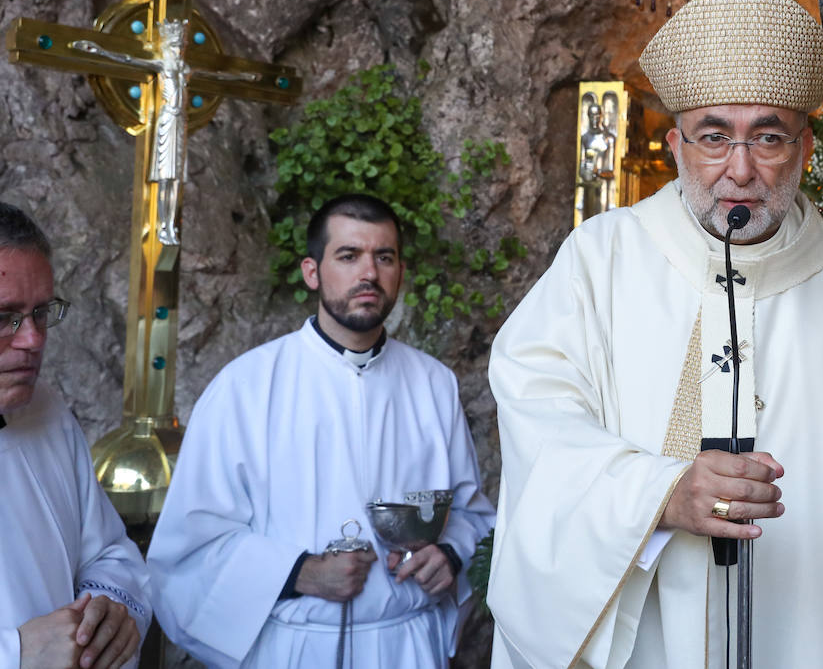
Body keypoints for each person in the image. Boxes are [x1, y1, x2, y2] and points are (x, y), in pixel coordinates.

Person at [486, 0, 823, 668]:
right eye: (713, 137)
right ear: (674, 145)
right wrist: (662, 494)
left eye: (767, 137)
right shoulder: (602, 260)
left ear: (805, 148)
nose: (740, 169)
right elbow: (539, 425)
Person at [147, 194, 495, 668]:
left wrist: (450, 555)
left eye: (384, 257)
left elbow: (472, 515)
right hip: (293, 648)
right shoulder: (246, 387)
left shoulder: (434, 384)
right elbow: (188, 548)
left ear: (400, 272)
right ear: (313, 271)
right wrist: (299, 572)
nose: (368, 273)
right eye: (348, 256)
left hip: (405, 647)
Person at [0, 202, 151, 669]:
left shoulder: (48, 413)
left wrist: (110, 611)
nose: (34, 340)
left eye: (41, 312)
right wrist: (16, 653)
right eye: (6, 316)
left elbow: (108, 554)